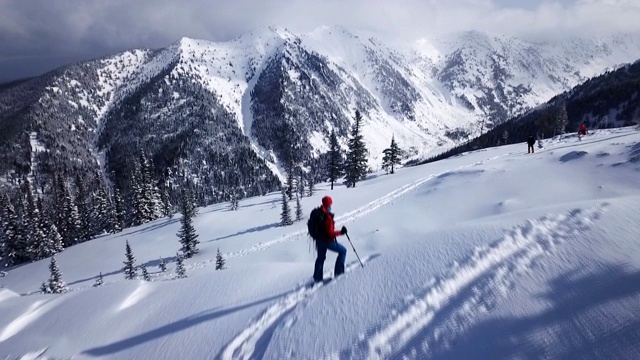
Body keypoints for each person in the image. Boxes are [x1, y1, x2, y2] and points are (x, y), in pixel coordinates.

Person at [313, 196, 348, 282]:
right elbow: (330, 233)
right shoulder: (327, 217)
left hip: (319, 240)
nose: (330, 206)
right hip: (327, 241)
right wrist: (341, 232)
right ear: (328, 204)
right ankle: (339, 273)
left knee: (320, 258)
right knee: (343, 251)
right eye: (330, 204)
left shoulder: (320, 212)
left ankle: (317, 279)